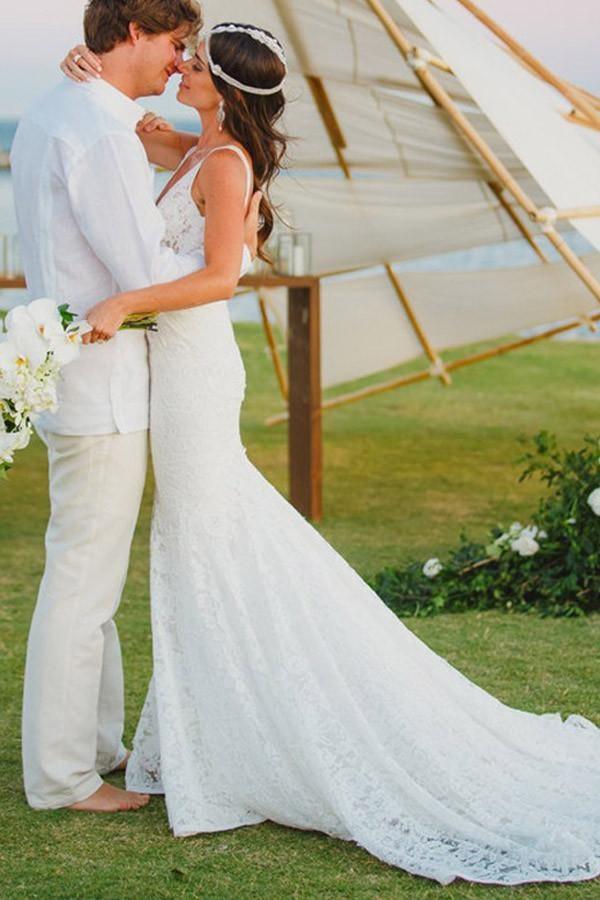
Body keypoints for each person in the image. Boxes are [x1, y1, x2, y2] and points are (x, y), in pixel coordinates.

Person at [60, 22, 600, 887]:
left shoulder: (228, 164)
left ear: (227, 89)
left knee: (203, 538)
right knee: (204, 540)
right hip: (180, 374)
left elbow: (220, 278)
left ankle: (244, 737)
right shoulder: (198, 147)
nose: (182, 68)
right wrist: (84, 69)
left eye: (196, 64)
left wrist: (126, 301)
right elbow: (126, 128)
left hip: (196, 375)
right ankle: (208, 730)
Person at [11, 0, 259, 815]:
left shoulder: (61, 112)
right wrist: (227, 256)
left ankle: (97, 747)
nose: (179, 59)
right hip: (103, 381)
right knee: (83, 581)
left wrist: (226, 239)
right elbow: (137, 266)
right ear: (130, 35)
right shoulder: (102, 133)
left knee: (91, 577)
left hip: (83, 371)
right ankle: (62, 777)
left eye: (191, 50)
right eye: (173, 42)